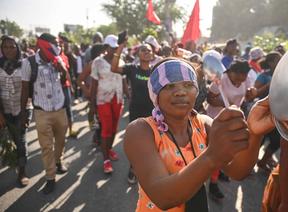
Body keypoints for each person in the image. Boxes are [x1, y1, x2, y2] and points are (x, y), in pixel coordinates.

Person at [124, 58, 274, 211]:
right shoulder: (141, 130)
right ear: (155, 93)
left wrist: (255, 133)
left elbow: (238, 171)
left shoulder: (203, 124)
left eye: (188, 85)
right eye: (169, 86)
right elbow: (162, 198)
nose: (181, 92)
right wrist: (212, 155)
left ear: (196, 91)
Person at [21, 33, 69, 194]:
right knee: (46, 146)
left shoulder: (58, 59)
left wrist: (62, 70)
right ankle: (50, 177)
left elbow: (65, 80)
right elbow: (25, 89)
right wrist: (23, 113)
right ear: (43, 45)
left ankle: (59, 160)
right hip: (41, 112)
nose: (58, 46)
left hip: (60, 109)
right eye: (55, 43)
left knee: (61, 140)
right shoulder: (29, 63)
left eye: (59, 44)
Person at [206, 59, 256, 199]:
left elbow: (247, 95)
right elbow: (210, 99)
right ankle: (213, 185)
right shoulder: (220, 80)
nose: (242, 79)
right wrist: (223, 103)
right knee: (217, 151)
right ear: (232, 72)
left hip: (233, 120)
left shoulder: (245, 81)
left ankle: (220, 172)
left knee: (226, 151)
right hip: (216, 120)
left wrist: (252, 93)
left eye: (245, 76)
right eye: (240, 75)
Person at [111, 41, 154, 183]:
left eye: (149, 50)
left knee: (151, 142)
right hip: (136, 111)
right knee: (136, 142)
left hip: (153, 113)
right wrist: (120, 49)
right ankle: (133, 168)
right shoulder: (132, 69)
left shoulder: (155, 70)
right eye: (143, 50)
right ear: (138, 54)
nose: (147, 52)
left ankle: (148, 169)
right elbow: (114, 68)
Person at [90, 34, 124, 174]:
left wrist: (128, 93)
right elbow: (94, 84)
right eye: (112, 48)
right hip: (103, 100)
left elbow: (123, 79)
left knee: (114, 129)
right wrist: (92, 105)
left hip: (118, 99)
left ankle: (109, 150)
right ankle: (105, 160)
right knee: (106, 130)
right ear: (105, 48)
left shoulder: (120, 61)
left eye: (116, 48)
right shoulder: (98, 62)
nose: (115, 50)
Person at [0, 36, 29, 186]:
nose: (9, 50)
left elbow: (28, 89)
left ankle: (22, 171)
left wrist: (24, 113)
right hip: (3, 109)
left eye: (12, 47)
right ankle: (11, 163)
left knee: (20, 140)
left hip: (21, 109)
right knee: (6, 141)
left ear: (17, 48)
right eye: (5, 47)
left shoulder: (25, 64)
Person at [254, 51, 282, 172]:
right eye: (277, 60)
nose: (281, 62)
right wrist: (269, 85)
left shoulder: (284, 76)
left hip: (277, 114)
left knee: (276, 141)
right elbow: (255, 93)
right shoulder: (263, 76)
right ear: (270, 63)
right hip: (264, 112)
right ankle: (248, 164)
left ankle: (263, 162)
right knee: (259, 141)